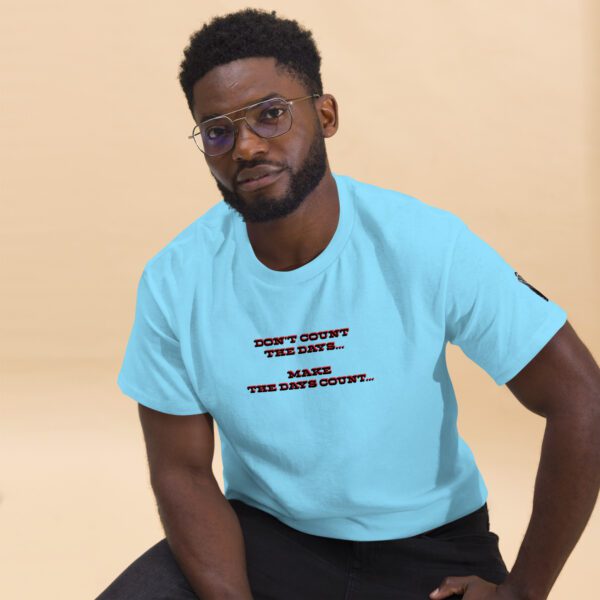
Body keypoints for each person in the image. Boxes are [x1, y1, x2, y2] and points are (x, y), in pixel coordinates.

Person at [97, 8, 600, 600]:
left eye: (271, 114)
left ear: (325, 114)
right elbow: (180, 469)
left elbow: (582, 399)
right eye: (218, 131)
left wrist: (523, 593)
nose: (247, 146)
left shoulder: (425, 244)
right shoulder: (175, 280)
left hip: (430, 547)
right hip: (267, 539)